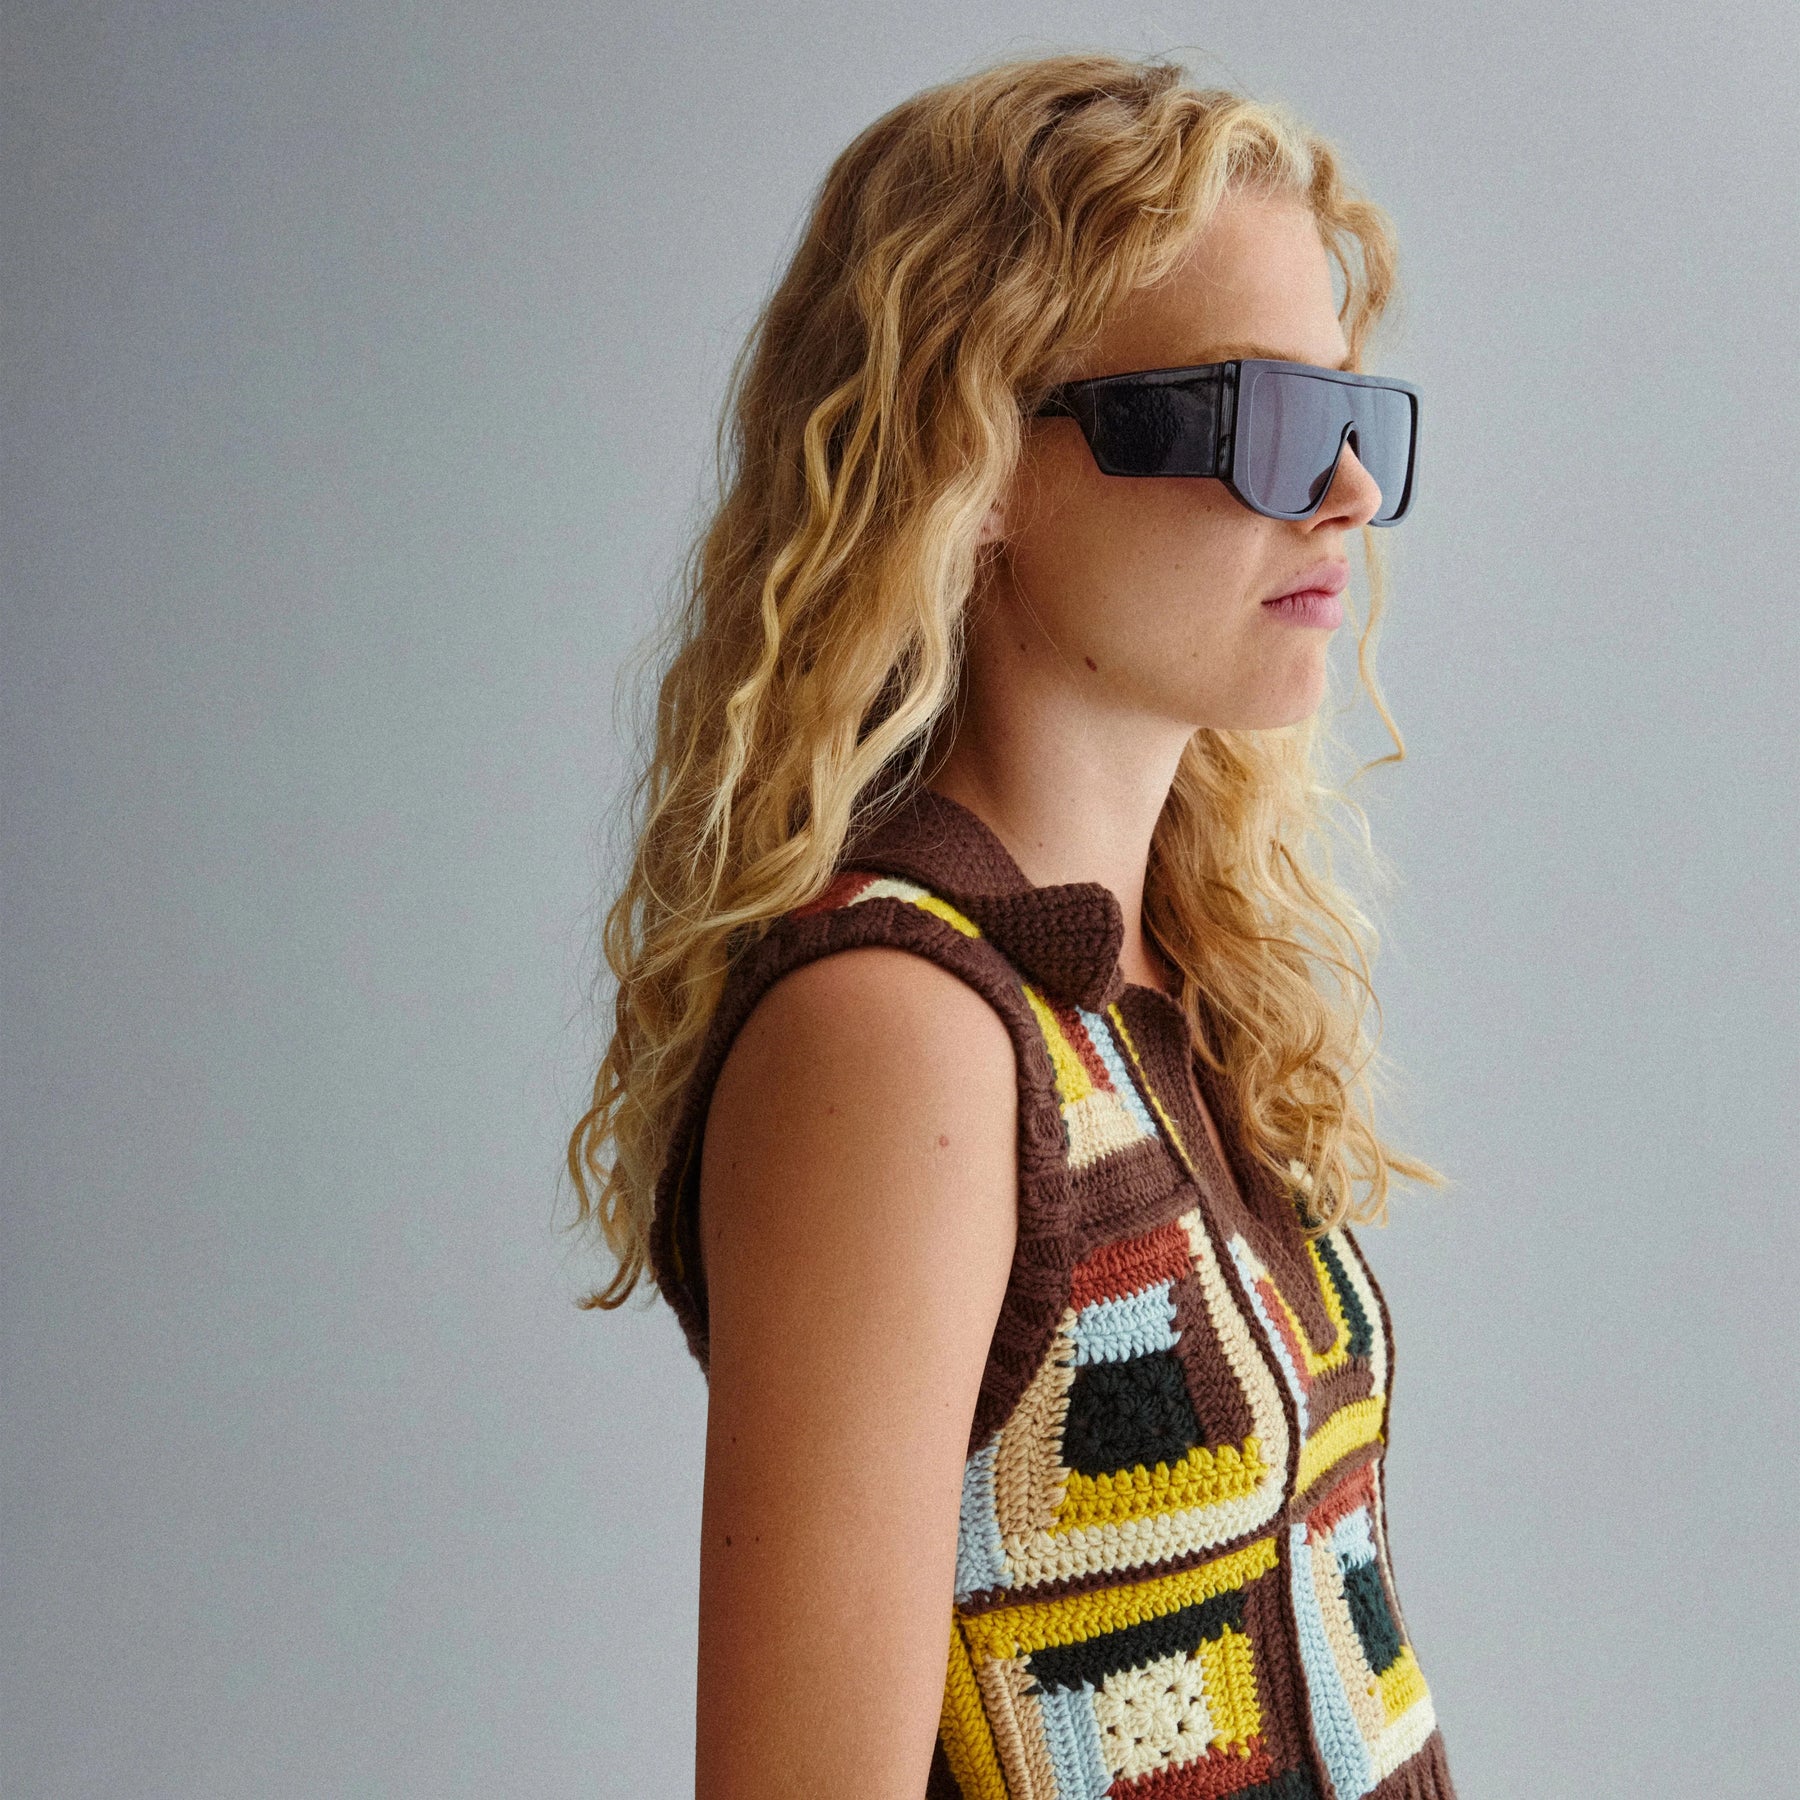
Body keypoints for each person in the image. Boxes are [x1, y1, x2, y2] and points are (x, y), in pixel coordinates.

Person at [568, 51, 1457, 1800]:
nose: (1349, 491)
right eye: (1266, 422)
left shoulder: (1163, 971)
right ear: (975, 462)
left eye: (1360, 418)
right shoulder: (900, 1028)